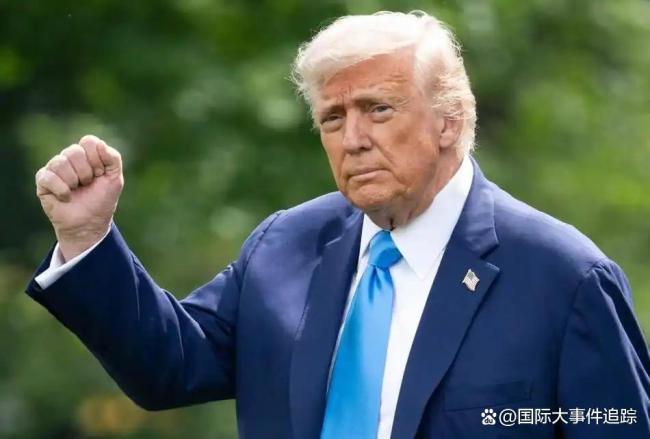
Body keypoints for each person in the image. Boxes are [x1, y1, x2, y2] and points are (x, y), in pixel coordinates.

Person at [26, 11, 649, 439]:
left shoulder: (564, 279)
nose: (353, 139)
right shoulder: (283, 248)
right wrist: (86, 238)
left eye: (378, 109)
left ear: (450, 120)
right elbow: (168, 367)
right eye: (332, 118)